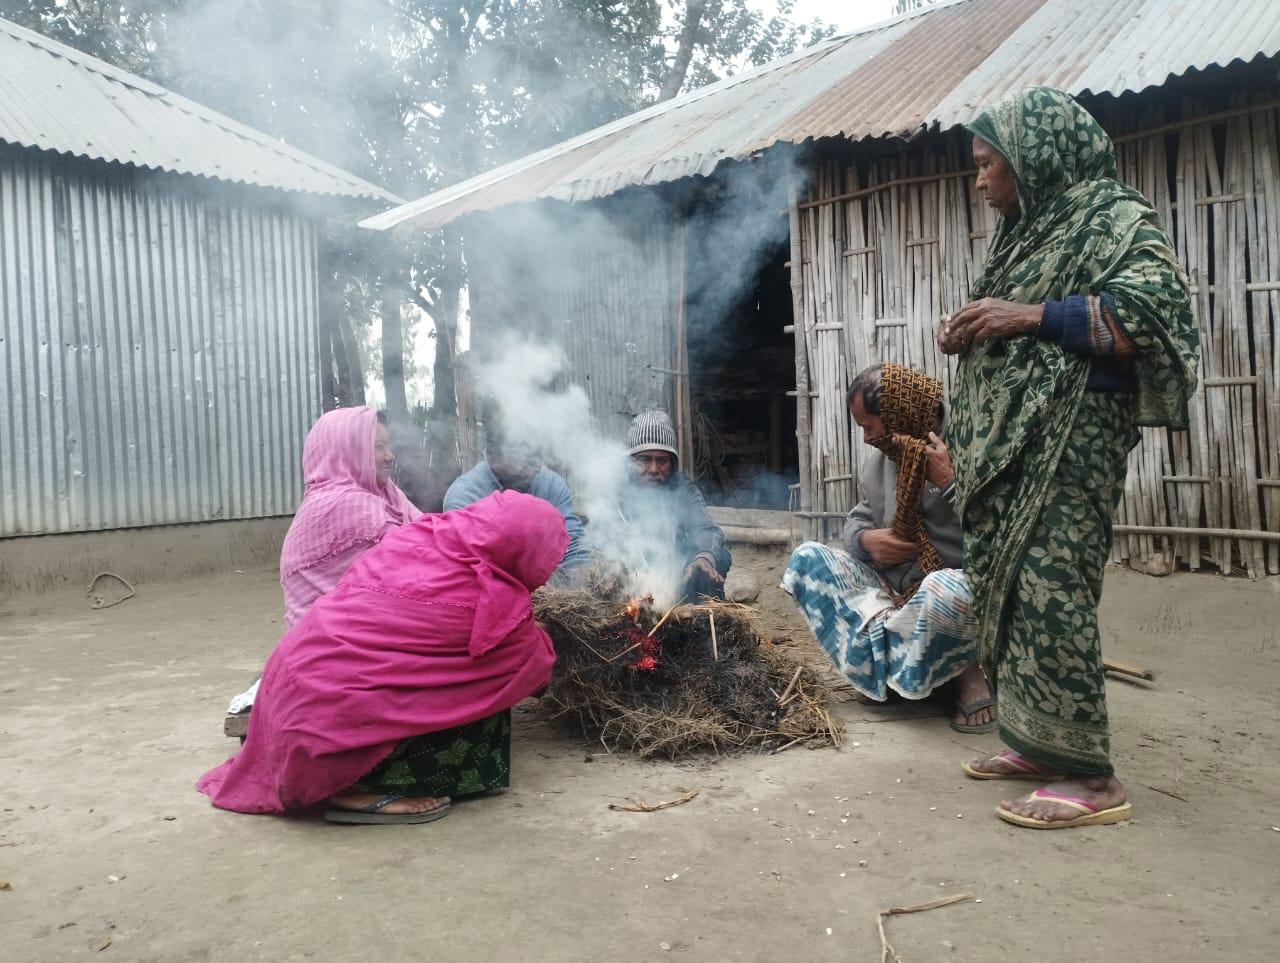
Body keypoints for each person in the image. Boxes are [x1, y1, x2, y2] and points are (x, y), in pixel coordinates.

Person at [939, 87, 1198, 829]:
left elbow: (1151, 318)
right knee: (1014, 588)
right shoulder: (1027, 232)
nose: (980, 179)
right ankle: (1040, 743)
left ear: (1035, 159)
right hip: (1018, 448)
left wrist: (1024, 317)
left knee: (1052, 585)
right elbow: (1012, 324)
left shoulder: (1112, 219)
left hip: (1070, 441)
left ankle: (1090, 776)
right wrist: (972, 330)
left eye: (989, 165)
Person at [198, 491, 569, 824]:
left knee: (445, 672)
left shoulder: (421, 536)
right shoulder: (486, 604)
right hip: (322, 726)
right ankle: (355, 790)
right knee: (485, 698)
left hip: (290, 687)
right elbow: (530, 666)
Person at [782, 363, 993, 733]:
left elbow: (1002, 531)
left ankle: (965, 673)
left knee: (943, 589)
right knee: (808, 557)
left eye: (868, 426)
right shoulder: (881, 463)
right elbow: (858, 519)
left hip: (960, 595)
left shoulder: (975, 448)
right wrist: (865, 541)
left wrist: (949, 484)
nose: (866, 438)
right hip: (896, 591)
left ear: (899, 413)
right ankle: (889, 675)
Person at [227, 406, 420, 714]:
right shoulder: (350, 506)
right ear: (348, 452)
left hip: (335, 643)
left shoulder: (384, 495)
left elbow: (429, 539)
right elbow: (419, 565)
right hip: (336, 653)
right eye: (377, 448)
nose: (390, 456)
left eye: (388, 446)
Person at [444, 420, 589, 579]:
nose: (532, 466)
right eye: (520, 457)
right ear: (492, 457)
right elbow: (468, 568)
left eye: (535, 456)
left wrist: (581, 577)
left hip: (553, 590)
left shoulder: (551, 485)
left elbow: (573, 545)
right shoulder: (465, 495)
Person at [618, 410, 731, 602]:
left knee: (718, 557)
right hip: (629, 580)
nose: (654, 469)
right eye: (644, 459)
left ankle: (699, 621)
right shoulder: (615, 490)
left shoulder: (682, 489)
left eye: (662, 460)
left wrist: (702, 558)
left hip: (677, 581)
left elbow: (707, 530)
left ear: (672, 463)